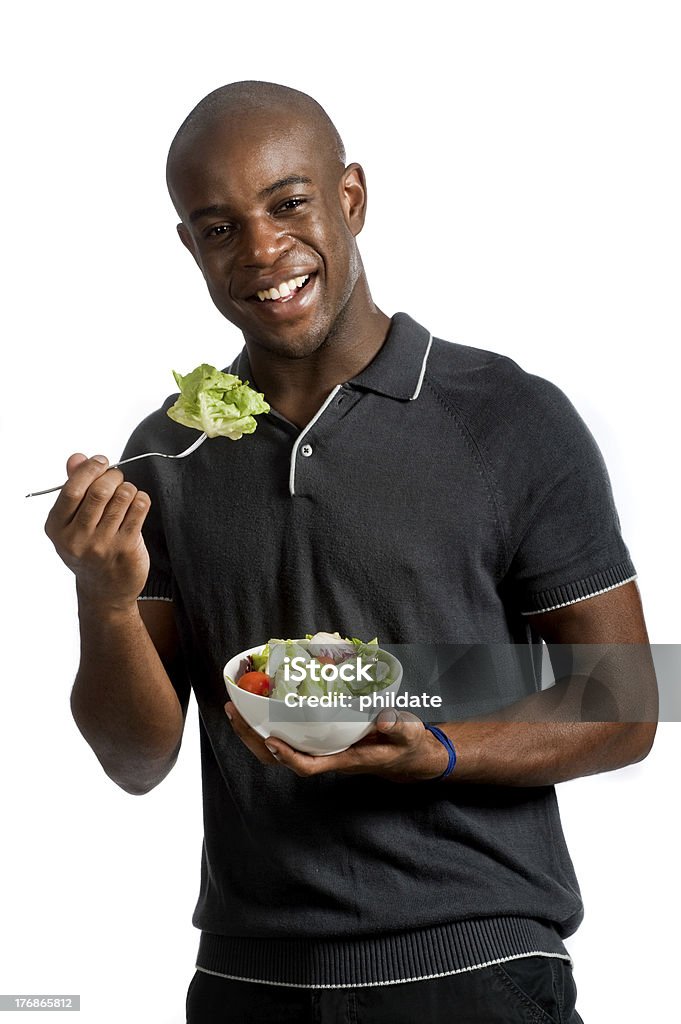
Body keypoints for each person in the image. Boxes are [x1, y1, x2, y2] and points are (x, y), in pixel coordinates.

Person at [45, 81, 657, 1023]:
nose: (261, 251)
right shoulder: (169, 450)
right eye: (217, 228)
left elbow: (624, 701)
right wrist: (105, 599)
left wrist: (441, 749)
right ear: (190, 247)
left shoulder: (507, 417)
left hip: (477, 968)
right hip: (247, 979)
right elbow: (137, 761)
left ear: (351, 198)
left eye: (288, 203)